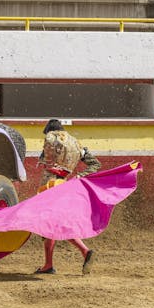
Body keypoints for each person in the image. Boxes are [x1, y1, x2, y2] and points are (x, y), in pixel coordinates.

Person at [34, 118, 101, 275]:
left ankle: (51, 264)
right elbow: (95, 164)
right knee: (58, 225)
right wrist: (78, 177)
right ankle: (82, 253)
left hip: (49, 187)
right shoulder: (77, 144)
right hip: (64, 187)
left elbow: (47, 161)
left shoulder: (51, 138)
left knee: (49, 226)